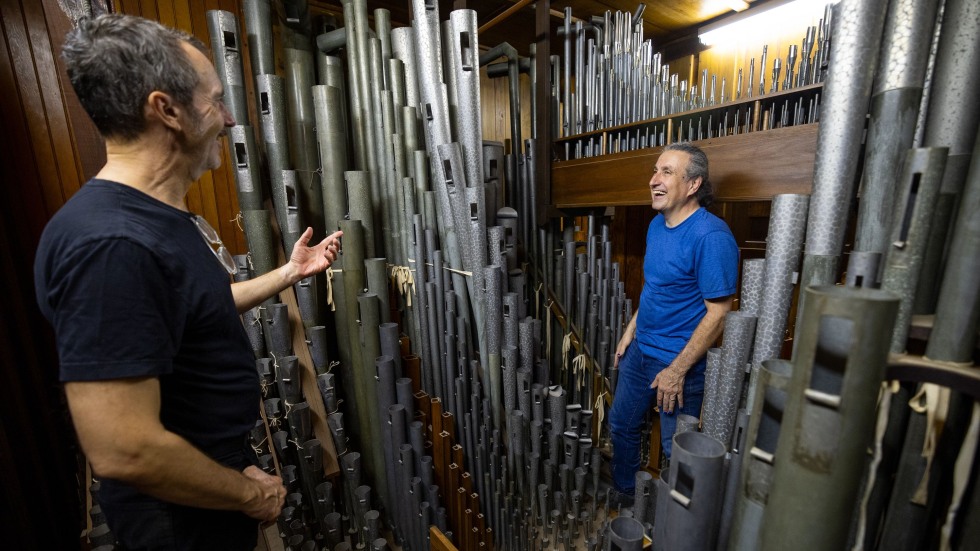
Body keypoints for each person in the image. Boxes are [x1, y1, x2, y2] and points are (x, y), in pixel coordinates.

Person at [34, 14, 342, 550]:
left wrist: (289, 273)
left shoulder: (150, 221)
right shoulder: (111, 247)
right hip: (179, 519)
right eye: (216, 100)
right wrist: (246, 495)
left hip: (202, 489)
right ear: (167, 110)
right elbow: (124, 448)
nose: (227, 118)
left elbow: (193, 309)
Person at [607, 142, 739, 505]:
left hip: (680, 363)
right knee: (621, 425)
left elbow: (719, 312)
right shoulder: (656, 224)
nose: (654, 179)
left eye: (667, 172)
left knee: (674, 448)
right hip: (640, 352)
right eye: (655, 170)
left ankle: (673, 525)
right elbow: (656, 285)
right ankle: (626, 496)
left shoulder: (711, 237)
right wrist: (630, 332)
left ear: (693, 184)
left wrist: (678, 370)